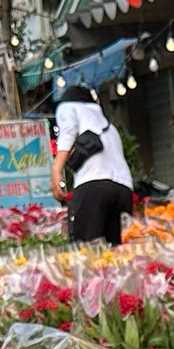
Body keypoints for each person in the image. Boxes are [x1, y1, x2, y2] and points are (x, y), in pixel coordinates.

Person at [51, 80, 134, 245]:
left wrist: (57, 169)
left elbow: (67, 132)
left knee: (86, 254)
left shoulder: (68, 107)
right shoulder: (110, 128)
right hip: (124, 190)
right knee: (117, 256)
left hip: (93, 187)